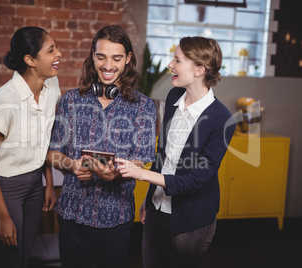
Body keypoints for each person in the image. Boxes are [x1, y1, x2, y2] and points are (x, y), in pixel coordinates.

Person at [116, 36, 236, 268]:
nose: (170, 65)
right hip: (157, 207)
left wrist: (142, 175)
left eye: (177, 60)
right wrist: (150, 197)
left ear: (199, 69)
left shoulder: (223, 120)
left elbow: (196, 180)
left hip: (192, 216)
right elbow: (165, 155)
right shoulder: (173, 97)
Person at [47, 25, 156, 268]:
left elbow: (141, 159)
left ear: (128, 59)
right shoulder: (70, 100)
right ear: (92, 56)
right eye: (101, 57)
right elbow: (52, 153)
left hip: (116, 220)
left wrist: (115, 174)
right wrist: (71, 165)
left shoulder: (143, 107)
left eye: (116, 58)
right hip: (72, 216)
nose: (108, 66)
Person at [0, 26, 62, 268]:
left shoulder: (52, 86)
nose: (59, 54)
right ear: (30, 60)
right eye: (51, 50)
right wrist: (3, 217)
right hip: (4, 187)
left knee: (23, 258)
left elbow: (44, 139)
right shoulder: (4, 101)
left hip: (34, 185)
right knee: (10, 261)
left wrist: (48, 182)